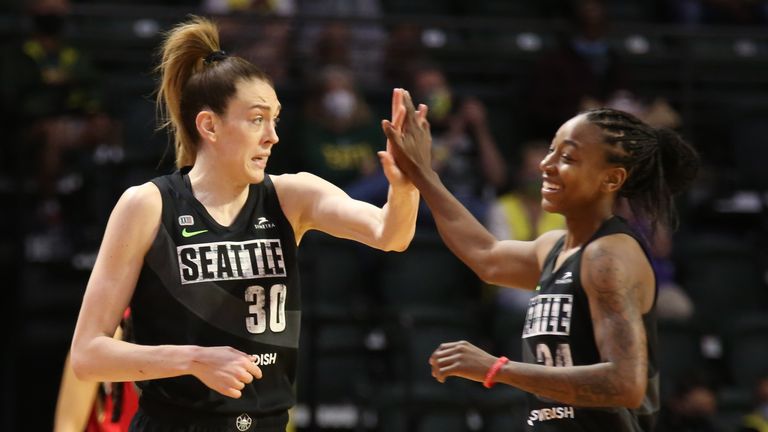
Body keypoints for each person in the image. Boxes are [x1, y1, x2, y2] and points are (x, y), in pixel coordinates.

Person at [69, 16, 422, 432]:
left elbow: (391, 235)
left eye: (275, 119)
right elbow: (88, 355)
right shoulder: (147, 204)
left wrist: (407, 185)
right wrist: (194, 359)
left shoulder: (292, 196)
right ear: (210, 125)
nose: (272, 135)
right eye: (257, 119)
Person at [384, 105, 700, 430]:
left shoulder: (609, 256)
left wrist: (497, 369)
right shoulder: (556, 247)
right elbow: (485, 255)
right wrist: (423, 174)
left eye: (568, 158)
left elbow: (624, 383)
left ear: (612, 178)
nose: (545, 166)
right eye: (551, 152)